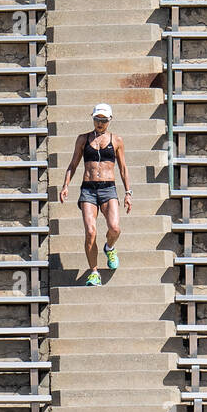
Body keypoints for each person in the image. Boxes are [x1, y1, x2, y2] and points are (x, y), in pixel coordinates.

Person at [58, 102, 132, 285]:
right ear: (93, 118)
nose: (100, 124)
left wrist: (128, 192)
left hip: (108, 188)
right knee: (90, 232)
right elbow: (73, 164)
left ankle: (110, 247)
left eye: (104, 120)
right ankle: (94, 272)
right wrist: (65, 185)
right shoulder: (83, 139)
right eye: (97, 119)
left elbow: (123, 168)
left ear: (110, 120)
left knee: (114, 228)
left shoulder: (116, 140)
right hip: (88, 188)